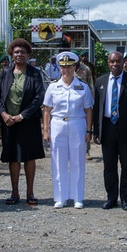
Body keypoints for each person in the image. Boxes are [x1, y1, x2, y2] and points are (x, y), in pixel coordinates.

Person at [0, 39, 46, 205]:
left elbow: (39, 97)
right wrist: (3, 114)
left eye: (23, 52)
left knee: (29, 157)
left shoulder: (34, 73)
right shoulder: (5, 73)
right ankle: (14, 192)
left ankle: (30, 193)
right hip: (9, 122)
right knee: (13, 157)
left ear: (28, 55)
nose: (19, 55)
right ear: (11, 54)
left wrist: (22, 115)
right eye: (16, 52)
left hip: (28, 121)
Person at [42, 51, 93, 209]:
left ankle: (78, 197)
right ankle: (60, 197)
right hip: (57, 124)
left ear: (75, 67)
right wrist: (46, 130)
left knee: (78, 161)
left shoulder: (82, 87)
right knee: (58, 161)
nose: (66, 70)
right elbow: (47, 110)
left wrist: (89, 131)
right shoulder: (53, 87)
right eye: (63, 67)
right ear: (59, 68)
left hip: (77, 124)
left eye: (69, 66)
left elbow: (88, 110)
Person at [93, 51, 127, 210]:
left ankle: (126, 199)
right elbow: (96, 108)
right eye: (112, 61)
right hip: (107, 127)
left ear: (123, 62)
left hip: (126, 128)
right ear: (108, 63)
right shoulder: (100, 81)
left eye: (118, 61)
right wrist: (95, 130)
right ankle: (111, 198)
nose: (115, 64)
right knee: (109, 165)